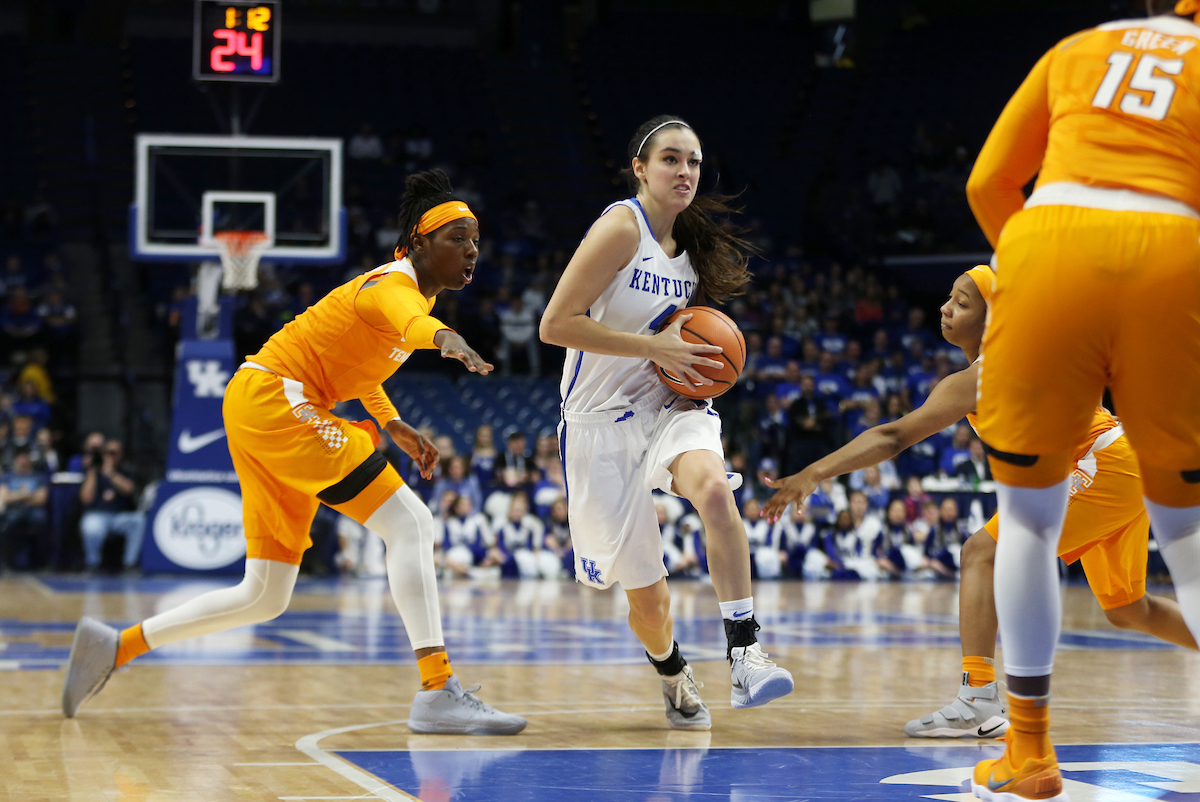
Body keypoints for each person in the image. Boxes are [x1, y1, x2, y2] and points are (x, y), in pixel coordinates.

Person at [61, 169, 525, 736]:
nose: (471, 249)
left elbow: (356, 368)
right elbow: (412, 323)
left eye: (476, 239)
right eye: (458, 238)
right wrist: (445, 339)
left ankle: (116, 646)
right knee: (410, 524)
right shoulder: (391, 288)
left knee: (264, 593)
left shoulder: (406, 296)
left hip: (264, 404)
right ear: (419, 245)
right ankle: (436, 689)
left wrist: (393, 422)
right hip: (279, 400)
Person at [761, 266, 1198, 757]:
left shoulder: (991, 371)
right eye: (949, 297)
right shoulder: (991, 370)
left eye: (963, 302)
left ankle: (977, 696)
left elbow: (892, 436)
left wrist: (814, 472)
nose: (946, 307)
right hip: (1122, 462)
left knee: (980, 553)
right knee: (1126, 609)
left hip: (1107, 462)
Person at [963, 2, 1200, 796]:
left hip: (1049, 244)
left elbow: (988, 180)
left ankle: (1029, 754)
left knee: (1026, 523)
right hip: (1174, 247)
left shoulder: (1076, 46)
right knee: (1188, 533)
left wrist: (1041, 273)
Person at [539, 115, 793, 731]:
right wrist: (655, 348)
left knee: (712, 485)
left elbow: (685, 344)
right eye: (671, 160)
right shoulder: (620, 227)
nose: (685, 172)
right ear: (640, 168)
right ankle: (672, 669)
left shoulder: (691, 253)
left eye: (694, 162)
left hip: (670, 406)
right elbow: (555, 325)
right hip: (600, 422)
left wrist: (694, 361)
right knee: (649, 603)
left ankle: (745, 651)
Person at [78, 438, 144, 572]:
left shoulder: (126, 470)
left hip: (119, 517)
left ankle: (129, 563)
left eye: (113, 453)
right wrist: (92, 471)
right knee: (91, 525)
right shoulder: (93, 471)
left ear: (120, 455)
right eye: (106, 452)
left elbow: (129, 489)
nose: (109, 456)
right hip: (97, 515)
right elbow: (86, 498)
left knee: (138, 520)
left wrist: (111, 474)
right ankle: (92, 564)